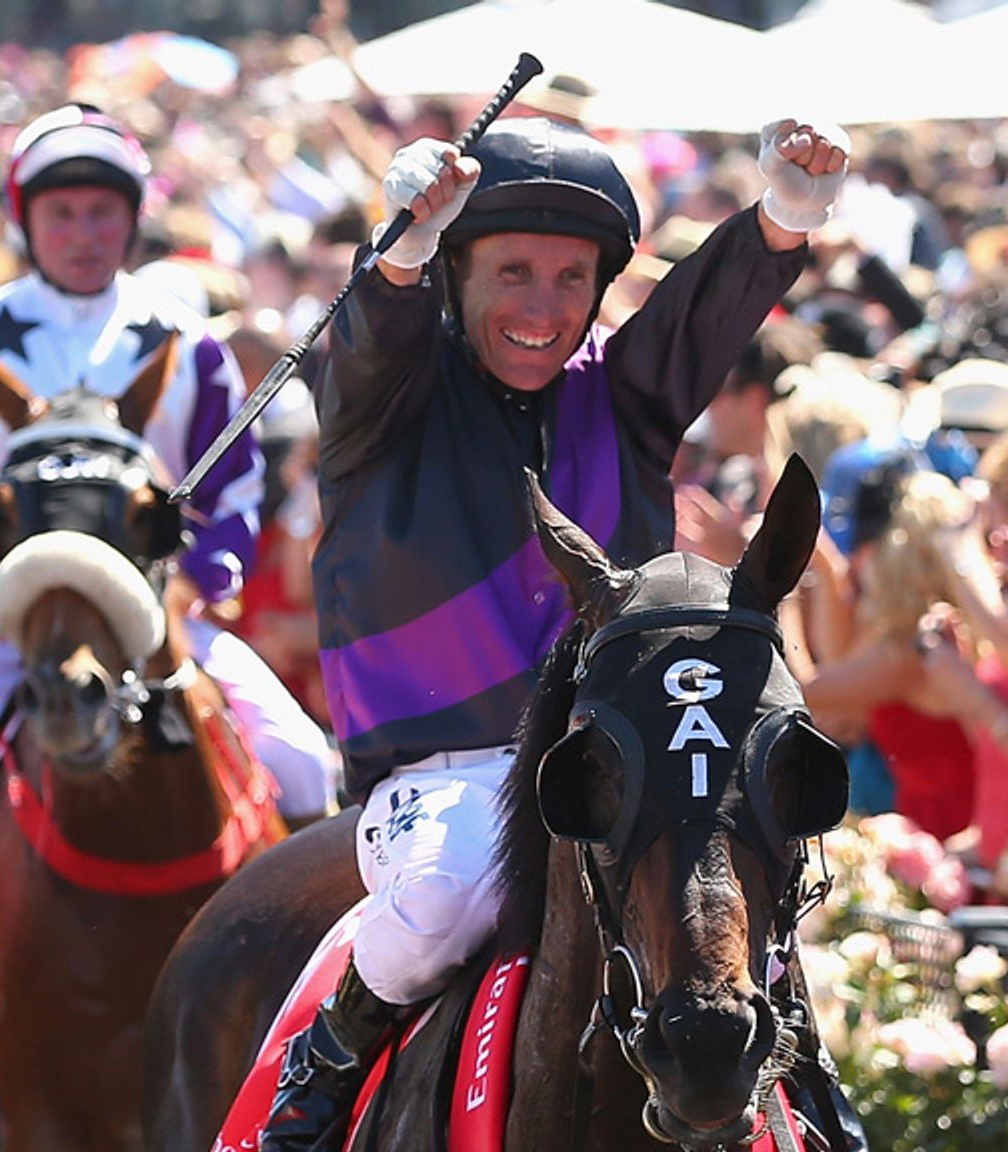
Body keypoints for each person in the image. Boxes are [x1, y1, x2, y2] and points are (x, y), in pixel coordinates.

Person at [258, 116, 849, 1149]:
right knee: (443, 899)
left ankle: (816, 1093)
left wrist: (781, 216)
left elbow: (699, 320)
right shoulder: (380, 409)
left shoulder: (622, 400)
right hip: (438, 776)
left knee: (731, 907)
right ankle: (333, 1054)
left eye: (571, 278)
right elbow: (365, 344)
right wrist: (397, 253)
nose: (543, 306)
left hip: (609, 767)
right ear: (455, 277)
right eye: (513, 271)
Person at [0, 103, 338, 1111]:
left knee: (304, 756)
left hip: (159, 620)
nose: (82, 232)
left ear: (130, 220)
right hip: (11, 622)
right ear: (27, 221)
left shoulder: (185, 337)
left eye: (100, 212)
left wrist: (199, 580)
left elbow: (235, 492)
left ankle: (332, 1012)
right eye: (63, 213)